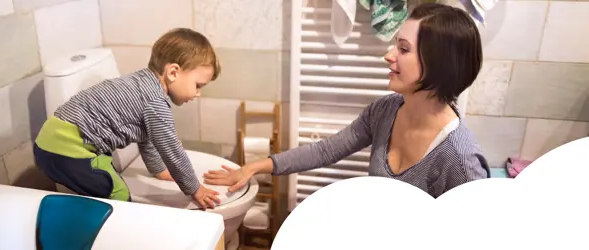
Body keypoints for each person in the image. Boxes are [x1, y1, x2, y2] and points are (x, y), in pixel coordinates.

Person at [203, 3, 490, 198]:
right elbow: (327, 150)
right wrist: (255, 166)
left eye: (403, 48)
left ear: (439, 64)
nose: (388, 55)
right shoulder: (387, 110)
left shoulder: (460, 160)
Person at [33, 28, 222, 209]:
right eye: (198, 85)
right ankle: (109, 238)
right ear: (173, 72)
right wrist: (195, 189)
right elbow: (171, 149)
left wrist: (159, 170)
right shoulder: (155, 102)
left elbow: (146, 137)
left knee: (101, 181)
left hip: (52, 142)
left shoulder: (140, 84)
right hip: (68, 150)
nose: (198, 93)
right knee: (118, 194)